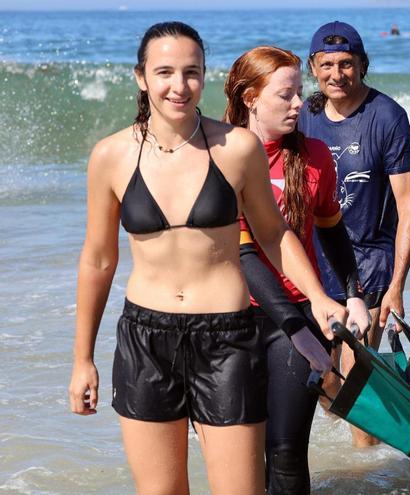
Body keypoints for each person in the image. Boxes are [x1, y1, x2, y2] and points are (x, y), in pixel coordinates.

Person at [67, 22, 347, 495]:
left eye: (191, 72)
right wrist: (82, 360)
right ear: (141, 77)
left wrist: (318, 297)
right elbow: (97, 261)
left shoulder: (237, 148)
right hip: (145, 338)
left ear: (204, 76)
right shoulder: (110, 156)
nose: (179, 86)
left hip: (225, 340)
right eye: (164, 72)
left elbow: (274, 234)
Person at [224, 46, 371, 494]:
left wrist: (354, 294)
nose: (298, 104)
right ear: (250, 98)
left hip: (294, 312)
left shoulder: (315, 157)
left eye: (298, 93)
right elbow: (241, 252)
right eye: (285, 95)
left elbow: (332, 232)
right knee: (239, 451)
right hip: (229, 317)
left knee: (286, 449)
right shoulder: (220, 153)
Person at [298, 20, 410, 447]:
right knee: (321, 380)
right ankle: (358, 444)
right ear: (313, 67)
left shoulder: (387, 116)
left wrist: (397, 287)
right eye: (327, 64)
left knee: (356, 380)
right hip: (314, 265)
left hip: (368, 264)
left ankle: (367, 474)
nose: (337, 74)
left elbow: (409, 211)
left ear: (363, 64)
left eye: (346, 64)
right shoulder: (305, 115)